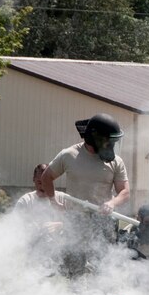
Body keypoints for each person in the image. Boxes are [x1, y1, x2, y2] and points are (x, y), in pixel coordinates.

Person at [40, 114, 130, 276]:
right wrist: (54, 202)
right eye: (109, 140)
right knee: (74, 266)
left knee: (103, 266)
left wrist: (112, 203)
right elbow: (46, 177)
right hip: (76, 218)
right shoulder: (69, 155)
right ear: (95, 138)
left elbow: (124, 191)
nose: (112, 145)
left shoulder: (116, 162)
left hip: (103, 220)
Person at [13, 163, 67, 237]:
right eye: (39, 182)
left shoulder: (63, 198)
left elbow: (78, 223)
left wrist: (60, 225)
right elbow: (13, 226)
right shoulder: (25, 201)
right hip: (32, 245)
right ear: (33, 180)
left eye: (46, 182)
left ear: (52, 181)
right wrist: (31, 227)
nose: (43, 186)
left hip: (60, 245)